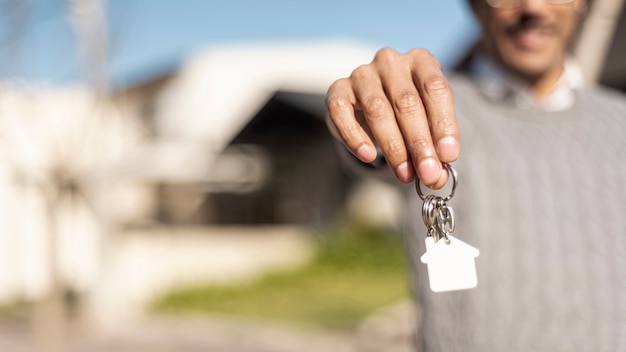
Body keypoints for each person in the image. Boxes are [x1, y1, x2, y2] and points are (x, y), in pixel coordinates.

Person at [326, 0, 626, 351]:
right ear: (474, 6)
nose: (533, 6)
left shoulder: (618, 121)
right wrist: (368, 121)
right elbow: (380, 153)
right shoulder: (432, 112)